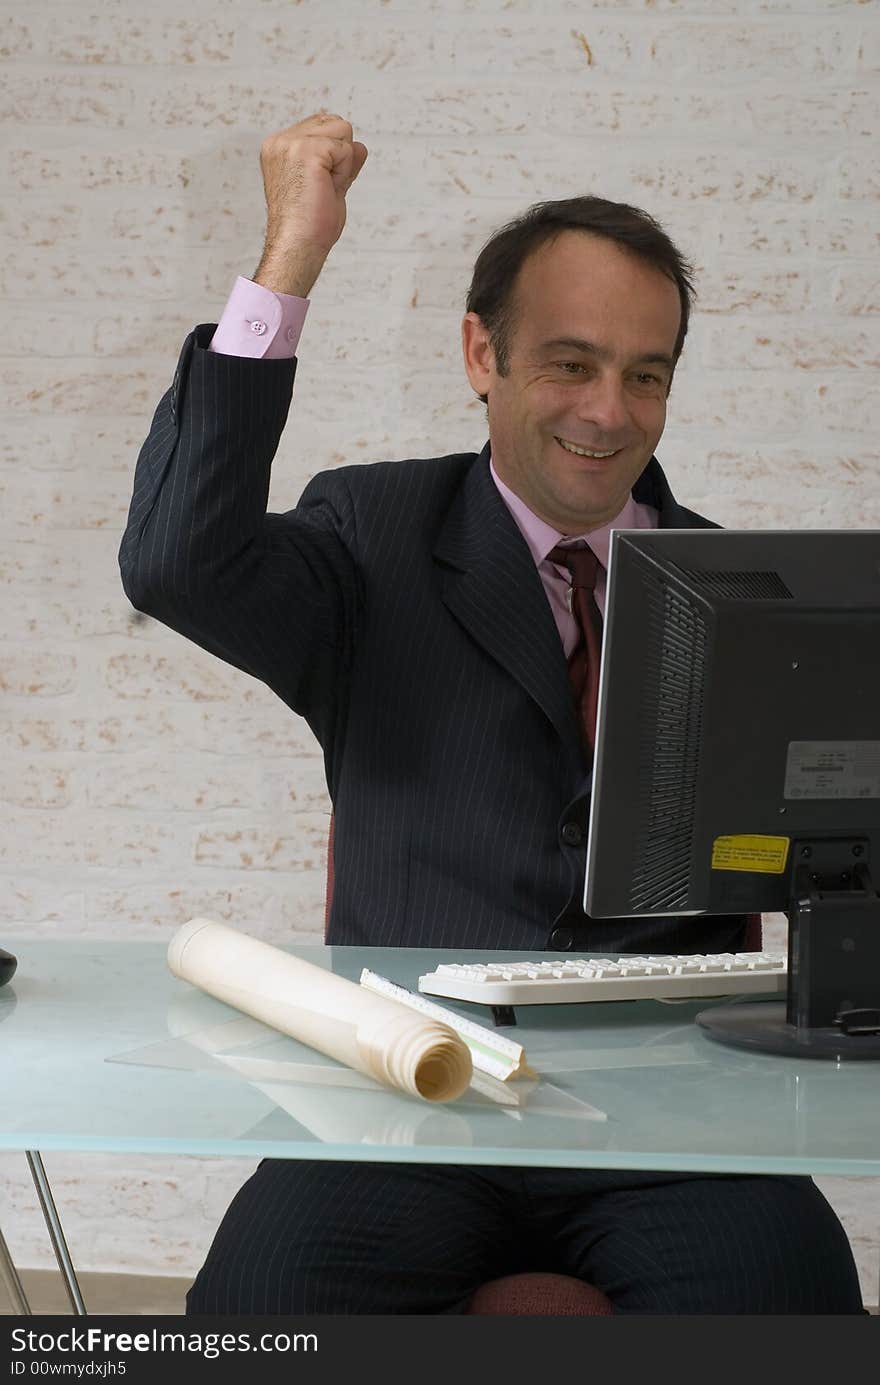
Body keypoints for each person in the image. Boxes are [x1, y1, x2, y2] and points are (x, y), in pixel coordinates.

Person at [119, 112, 864, 1314]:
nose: (608, 412)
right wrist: (290, 258)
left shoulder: (749, 590)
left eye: (645, 373)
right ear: (482, 354)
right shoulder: (373, 537)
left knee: (801, 1317)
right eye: (570, 363)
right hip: (406, 1104)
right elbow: (173, 564)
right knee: (248, 1329)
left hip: (676, 1122)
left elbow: (820, 857)